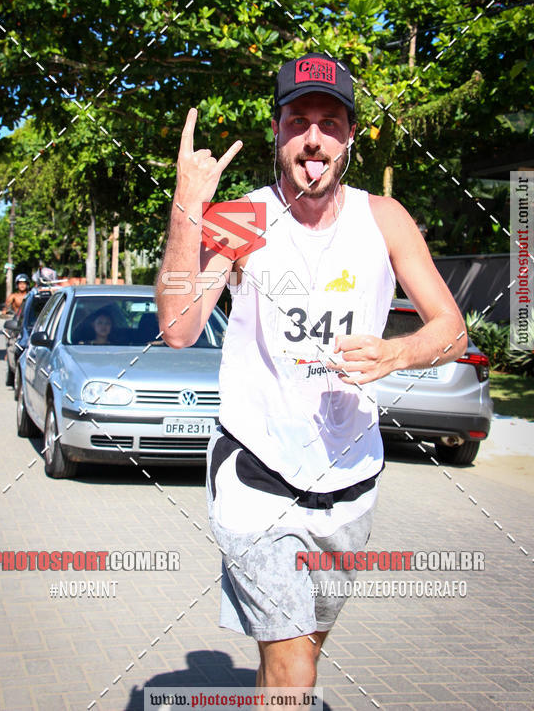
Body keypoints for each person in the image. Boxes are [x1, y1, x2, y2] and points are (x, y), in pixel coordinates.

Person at [155, 53, 467, 691]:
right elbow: (178, 326)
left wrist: (398, 353)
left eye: (330, 121)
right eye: (299, 121)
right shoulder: (241, 217)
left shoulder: (385, 219)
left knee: (297, 659)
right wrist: (188, 208)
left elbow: (452, 330)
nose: (314, 137)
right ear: (278, 132)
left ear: (349, 135)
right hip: (255, 469)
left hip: (350, 475)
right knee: (294, 665)